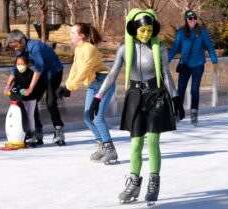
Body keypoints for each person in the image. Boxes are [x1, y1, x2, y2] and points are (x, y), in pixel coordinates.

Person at [89, 8, 185, 204]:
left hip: (156, 95)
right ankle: (133, 182)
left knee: (152, 141)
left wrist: (176, 99)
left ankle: (154, 181)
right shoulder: (124, 49)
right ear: (133, 29)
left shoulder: (159, 49)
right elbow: (113, 74)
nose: (146, 34)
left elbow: (166, 74)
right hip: (135, 96)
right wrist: (98, 97)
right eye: (142, 31)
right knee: (136, 143)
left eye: (149, 30)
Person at [56, 23, 118, 164]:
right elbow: (75, 68)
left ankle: (110, 150)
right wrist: (66, 85)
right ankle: (102, 145)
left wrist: (70, 87)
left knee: (97, 118)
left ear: (81, 36)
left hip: (104, 83)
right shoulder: (79, 49)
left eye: (73, 33)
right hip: (93, 84)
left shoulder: (89, 49)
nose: (70, 35)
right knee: (87, 116)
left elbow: (84, 71)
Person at [7, 29, 65, 145]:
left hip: (54, 73)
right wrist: (8, 86)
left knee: (50, 102)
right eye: (13, 47)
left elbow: (38, 68)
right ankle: (36, 129)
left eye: (16, 46)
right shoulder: (21, 50)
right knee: (30, 101)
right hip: (41, 74)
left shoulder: (35, 47)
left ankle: (58, 130)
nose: (15, 49)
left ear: (22, 40)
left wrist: (30, 88)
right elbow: (15, 69)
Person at [168, 10, 218, 126]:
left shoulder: (202, 32)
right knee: (180, 89)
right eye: (190, 19)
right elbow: (174, 48)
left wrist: (215, 62)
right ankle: (178, 112)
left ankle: (194, 111)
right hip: (185, 65)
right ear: (186, 20)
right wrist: (166, 61)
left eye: (194, 18)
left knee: (194, 89)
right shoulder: (181, 33)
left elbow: (210, 47)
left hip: (198, 64)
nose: (193, 21)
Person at [4, 55, 38, 147]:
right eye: (18, 64)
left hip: (30, 98)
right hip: (19, 98)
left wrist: (26, 90)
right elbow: (11, 82)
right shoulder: (15, 72)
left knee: (29, 115)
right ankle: (21, 133)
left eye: (22, 64)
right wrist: (7, 88)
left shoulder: (31, 73)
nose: (20, 66)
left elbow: (32, 86)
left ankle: (31, 134)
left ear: (27, 64)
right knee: (19, 116)